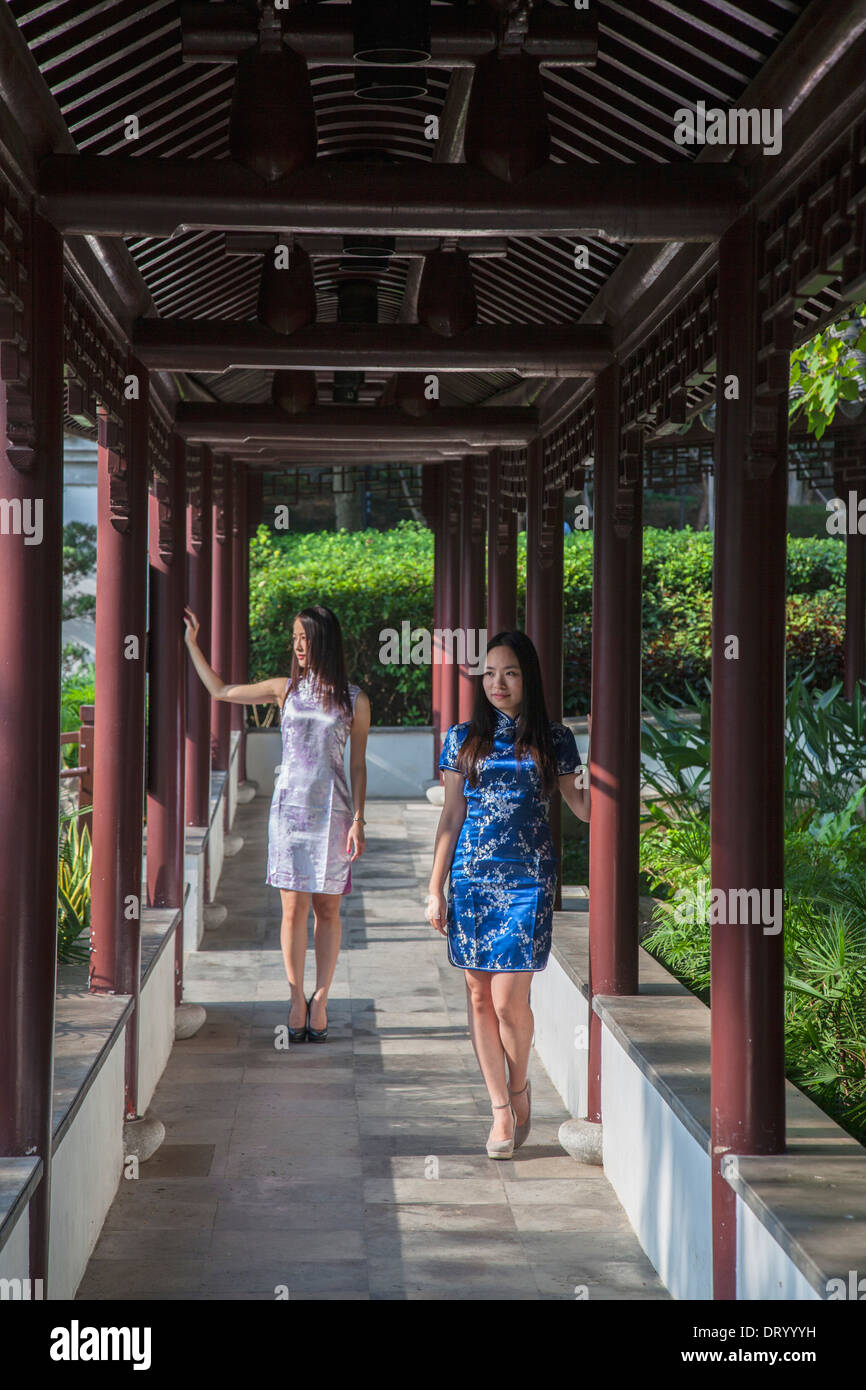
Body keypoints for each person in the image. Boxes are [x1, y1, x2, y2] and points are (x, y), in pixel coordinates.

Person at [425, 630, 590, 1158]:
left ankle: (519, 1089)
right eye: (490, 672)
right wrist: (435, 890)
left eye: (510, 673)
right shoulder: (461, 738)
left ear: (528, 679)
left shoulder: (554, 739)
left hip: (528, 879)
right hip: (472, 878)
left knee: (508, 999)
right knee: (477, 995)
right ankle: (501, 1109)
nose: (498, 683)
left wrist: (612, 775)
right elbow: (451, 816)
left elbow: (581, 808)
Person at [184, 603, 370, 1043]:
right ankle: (294, 997)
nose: (299, 647)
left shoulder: (354, 699)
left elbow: (357, 766)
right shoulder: (284, 689)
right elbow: (221, 691)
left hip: (334, 815)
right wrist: (192, 645)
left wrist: (359, 820)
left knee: (328, 909)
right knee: (293, 909)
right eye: (295, 639)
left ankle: (321, 999)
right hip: (289, 815)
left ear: (325, 640)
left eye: (306, 638)